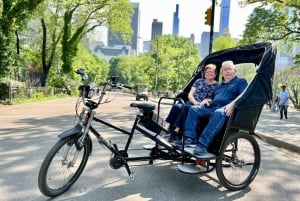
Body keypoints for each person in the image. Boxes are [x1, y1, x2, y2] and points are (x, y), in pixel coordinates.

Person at [178, 60, 248, 156]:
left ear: (234, 71)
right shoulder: (220, 86)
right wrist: (208, 100)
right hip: (212, 107)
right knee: (193, 109)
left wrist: (232, 104)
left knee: (219, 112)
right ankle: (190, 138)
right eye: (225, 70)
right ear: (222, 73)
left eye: (229, 69)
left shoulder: (241, 82)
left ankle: (202, 144)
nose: (227, 71)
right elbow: (214, 98)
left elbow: (244, 94)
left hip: (226, 110)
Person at [165, 64, 220, 142]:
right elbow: (190, 94)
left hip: (202, 107)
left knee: (186, 107)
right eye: (207, 72)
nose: (209, 74)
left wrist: (201, 103)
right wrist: (195, 102)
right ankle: (168, 128)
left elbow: (215, 99)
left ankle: (176, 132)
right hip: (192, 102)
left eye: (211, 72)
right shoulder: (199, 81)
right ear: (204, 73)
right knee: (177, 106)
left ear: (215, 74)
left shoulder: (217, 85)